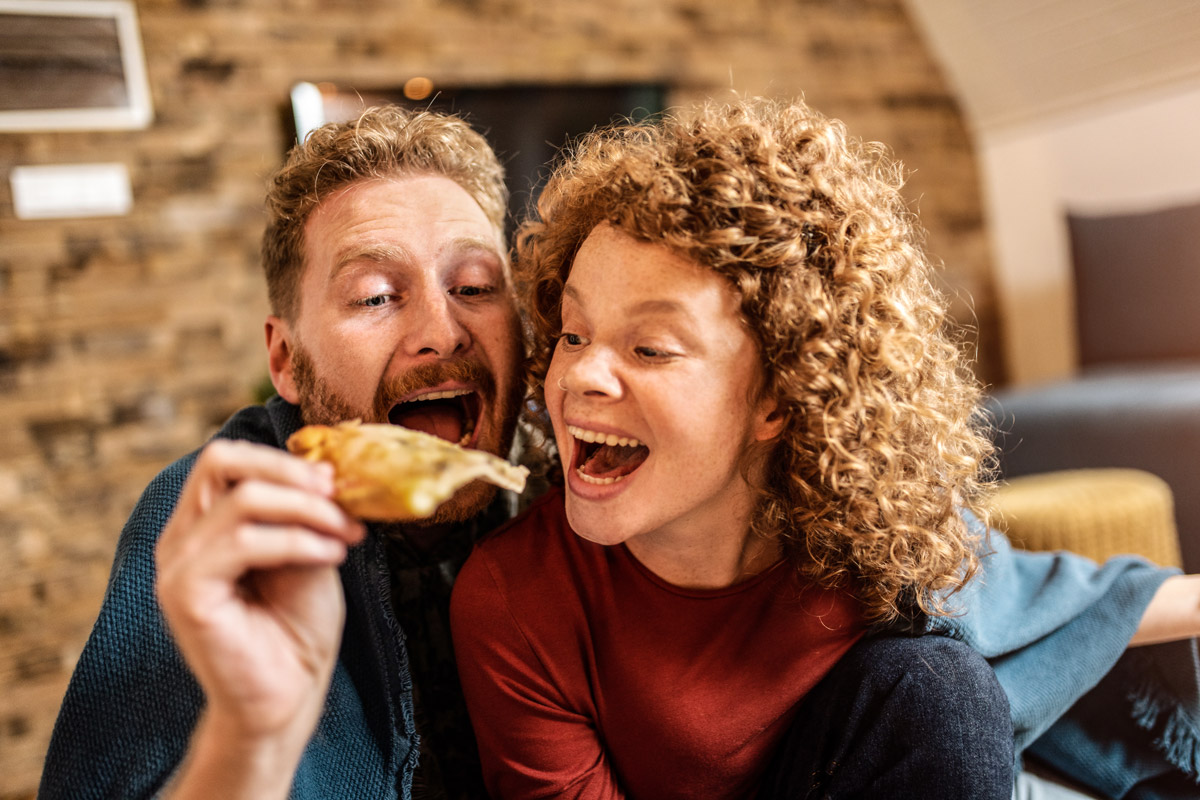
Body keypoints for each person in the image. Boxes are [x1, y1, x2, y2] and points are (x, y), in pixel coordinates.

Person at [450, 97, 1200, 800]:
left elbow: (1046, 599)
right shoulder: (518, 600)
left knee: (936, 689)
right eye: (573, 335)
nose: (580, 373)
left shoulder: (860, 540)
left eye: (649, 348)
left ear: (779, 397)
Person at [38, 105, 529, 800]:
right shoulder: (219, 518)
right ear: (285, 358)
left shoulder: (576, 487)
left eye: (475, 287)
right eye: (377, 296)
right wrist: (249, 735)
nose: (440, 332)